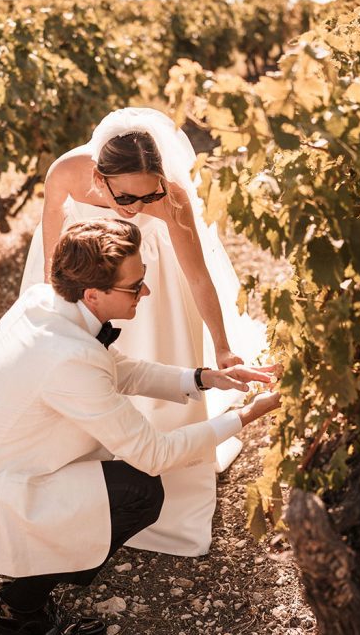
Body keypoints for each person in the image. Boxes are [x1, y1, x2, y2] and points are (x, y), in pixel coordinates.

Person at [0, 218, 279, 635]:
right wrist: (244, 416)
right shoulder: (68, 357)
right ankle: (18, 608)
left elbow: (117, 368)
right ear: (93, 295)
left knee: (110, 473)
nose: (146, 292)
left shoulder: (43, 303)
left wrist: (204, 378)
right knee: (141, 492)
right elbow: (155, 454)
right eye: (135, 286)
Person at [20, 106, 266, 556]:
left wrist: (222, 346)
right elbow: (51, 256)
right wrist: (64, 317)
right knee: (86, 388)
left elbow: (198, 277)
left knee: (160, 391)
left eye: (146, 196)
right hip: (89, 293)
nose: (135, 209)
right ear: (99, 177)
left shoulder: (169, 197)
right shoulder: (66, 174)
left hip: (155, 295)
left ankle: (164, 493)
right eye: (126, 197)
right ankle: (89, 493)